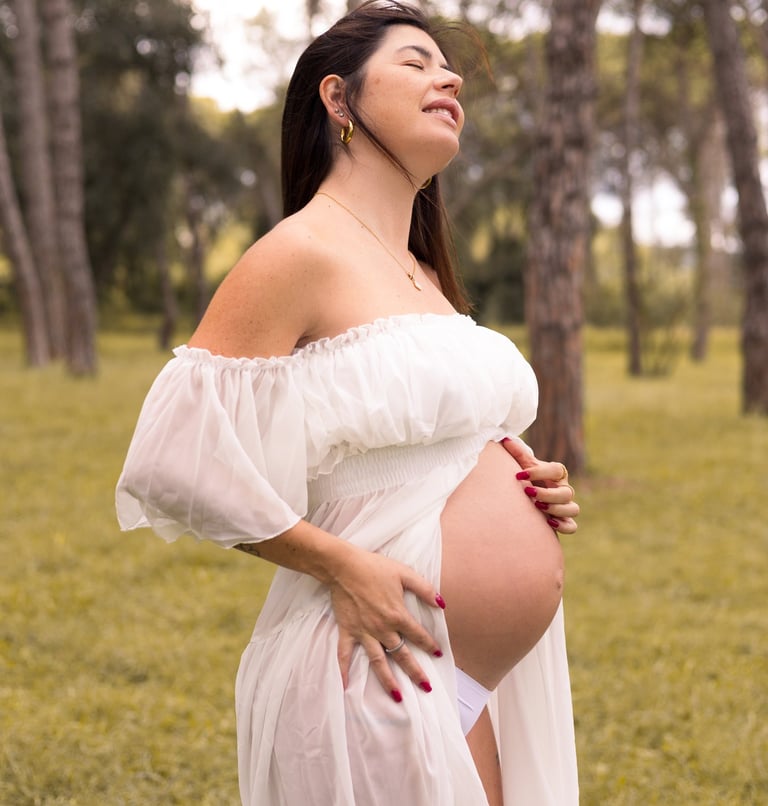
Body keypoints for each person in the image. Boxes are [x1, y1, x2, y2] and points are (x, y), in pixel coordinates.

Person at [116, 2, 581, 804]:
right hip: (373, 659)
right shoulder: (296, 253)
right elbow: (174, 461)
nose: (450, 76)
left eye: (448, 66)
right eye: (416, 61)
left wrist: (529, 480)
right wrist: (339, 565)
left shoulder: (423, 273)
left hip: (469, 676)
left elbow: (436, 441)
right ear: (339, 100)